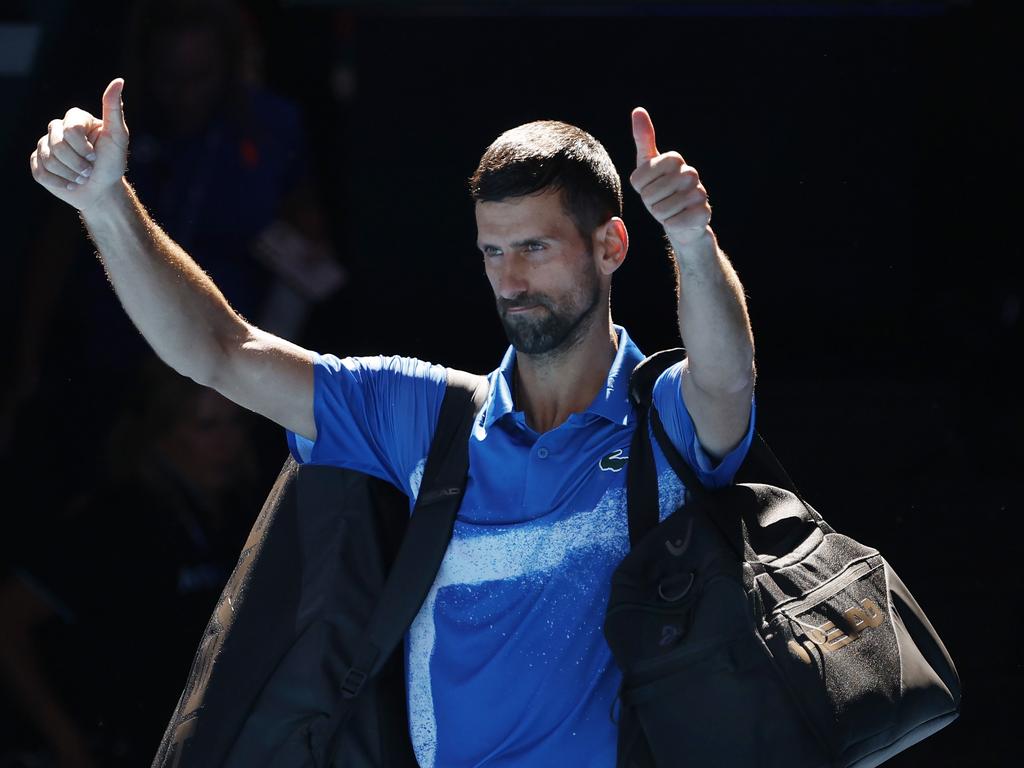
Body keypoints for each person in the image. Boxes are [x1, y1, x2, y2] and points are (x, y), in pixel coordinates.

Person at [29, 79, 756, 766]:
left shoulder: (661, 418)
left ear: (611, 247)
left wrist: (691, 240)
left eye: (534, 248)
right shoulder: (424, 416)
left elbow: (727, 378)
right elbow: (222, 352)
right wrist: (105, 205)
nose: (509, 281)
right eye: (492, 253)